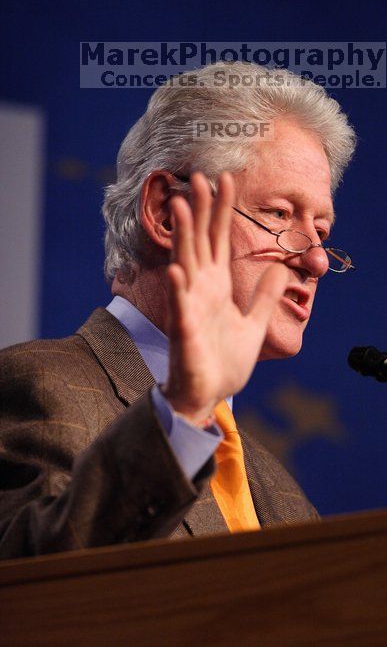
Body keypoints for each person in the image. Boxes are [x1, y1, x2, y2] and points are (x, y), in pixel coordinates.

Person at [0, 61, 356, 559]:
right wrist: (185, 408)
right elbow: (32, 589)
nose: (316, 259)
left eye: (322, 232)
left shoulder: (282, 494)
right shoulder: (38, 387)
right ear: (168, 214)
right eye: (280, 213)